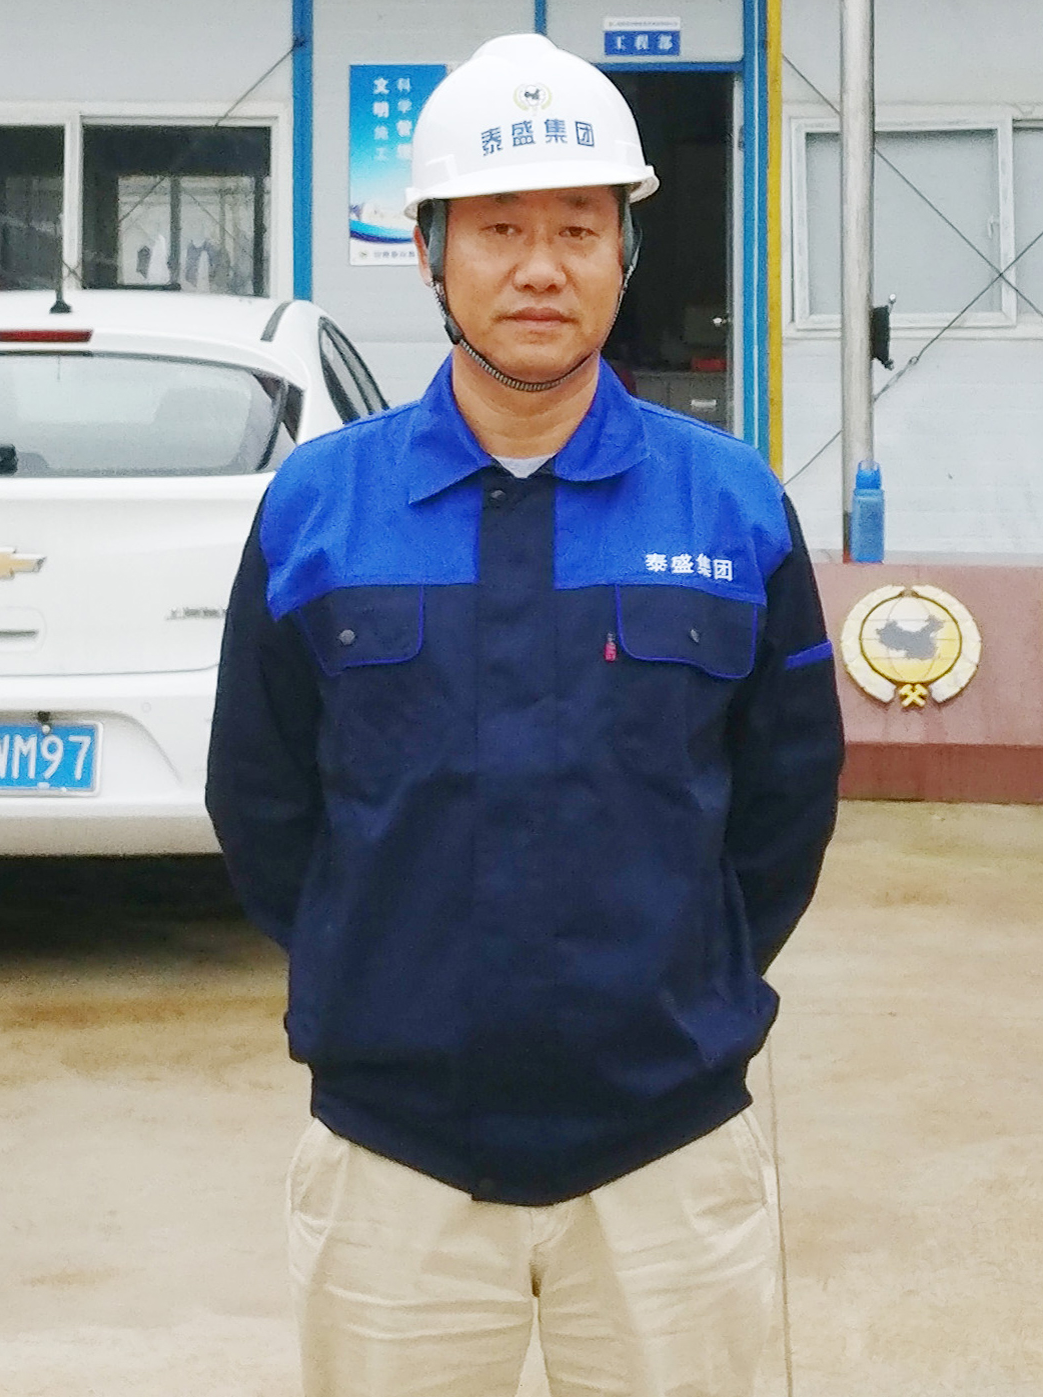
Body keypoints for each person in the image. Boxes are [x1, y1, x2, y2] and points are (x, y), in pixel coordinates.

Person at [205, 32, 843, 1397]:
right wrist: (377, 968)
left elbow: (784, 805)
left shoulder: (732, 506)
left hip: (669, 1161)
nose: (540, 267)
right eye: (498, 229)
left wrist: (676, 984)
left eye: (577, 228)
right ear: (430, 253)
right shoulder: (320, 509)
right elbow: (261, 801)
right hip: (394, 1169)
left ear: (625, 252)